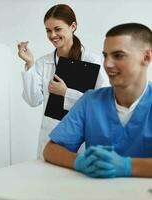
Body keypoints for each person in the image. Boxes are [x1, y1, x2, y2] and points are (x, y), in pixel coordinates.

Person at [44, 23, 152, 178]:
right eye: (105, 55)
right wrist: (79, 161)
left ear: (146, 57)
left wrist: (128, 166)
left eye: (118, 55)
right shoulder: (91, 101)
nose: (107, 64)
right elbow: (51, 149)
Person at [17, 4, 108, 159]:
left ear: (73, 26)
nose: (52, 35)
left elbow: (103, 106)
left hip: (81, 142)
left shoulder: (93, 61)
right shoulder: (42, 63)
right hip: (49, 139)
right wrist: (30, 64)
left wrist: (66, 93)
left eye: (57, 29)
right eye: (48, 30)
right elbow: (33, 100)